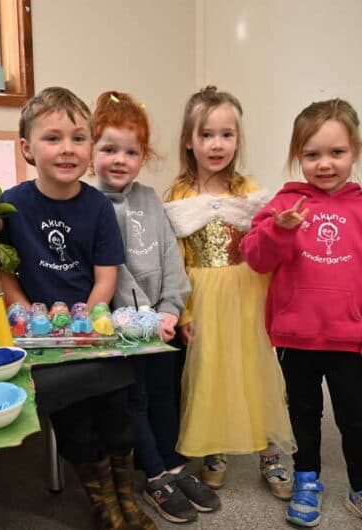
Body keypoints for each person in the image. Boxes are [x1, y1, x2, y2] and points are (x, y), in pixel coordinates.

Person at [240, 98, 362, 530]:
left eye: (337, 153)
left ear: (355, 151)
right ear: (298, 156)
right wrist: (279, 231)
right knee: (302, 415)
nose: (325, 164)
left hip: (349, 342)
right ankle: (306, 478)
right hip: (296, 339)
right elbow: (255, 258)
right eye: (312, 154)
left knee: (357, 419)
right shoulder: (286, 203)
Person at [0, 86, 153, 530]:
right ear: (27, 148)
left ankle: (127, 499)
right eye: (53, 138)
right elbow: (3, 271)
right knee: (77, 431)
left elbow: (106, 277)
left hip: (95, 333)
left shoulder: (99, 207)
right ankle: (104, 506)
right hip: (44, 341)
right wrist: (29, 313)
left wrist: (85, 321)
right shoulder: (11, 206)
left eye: (79, 138)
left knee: (119, 424)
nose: (67, 149)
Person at [90, 90, 220, 524]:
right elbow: (112, 272)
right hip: (126, 326)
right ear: (92, 150)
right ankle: (155, 473)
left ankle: (176, 465)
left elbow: (169, 257)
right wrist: (145, 319)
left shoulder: (149, 198)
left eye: (131, 151)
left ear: (143, 155)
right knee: (137, 399)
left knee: (166, 394)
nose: (120, 159)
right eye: (109, 149)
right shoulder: (90, 204)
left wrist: (170, 309)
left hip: (162, 322)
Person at [163, 86, 296, 501]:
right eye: (206, 135)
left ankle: (268, 450)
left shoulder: (249, 190)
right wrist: (184, 313)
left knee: (254, 370)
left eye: (226, 134)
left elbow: (264, 249)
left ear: (238, 139)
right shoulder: (178, 196)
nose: (216, 144)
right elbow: (176, 260)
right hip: (202, 294)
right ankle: (214, 448)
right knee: (210, 372)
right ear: (189, 140)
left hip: (246, 292)